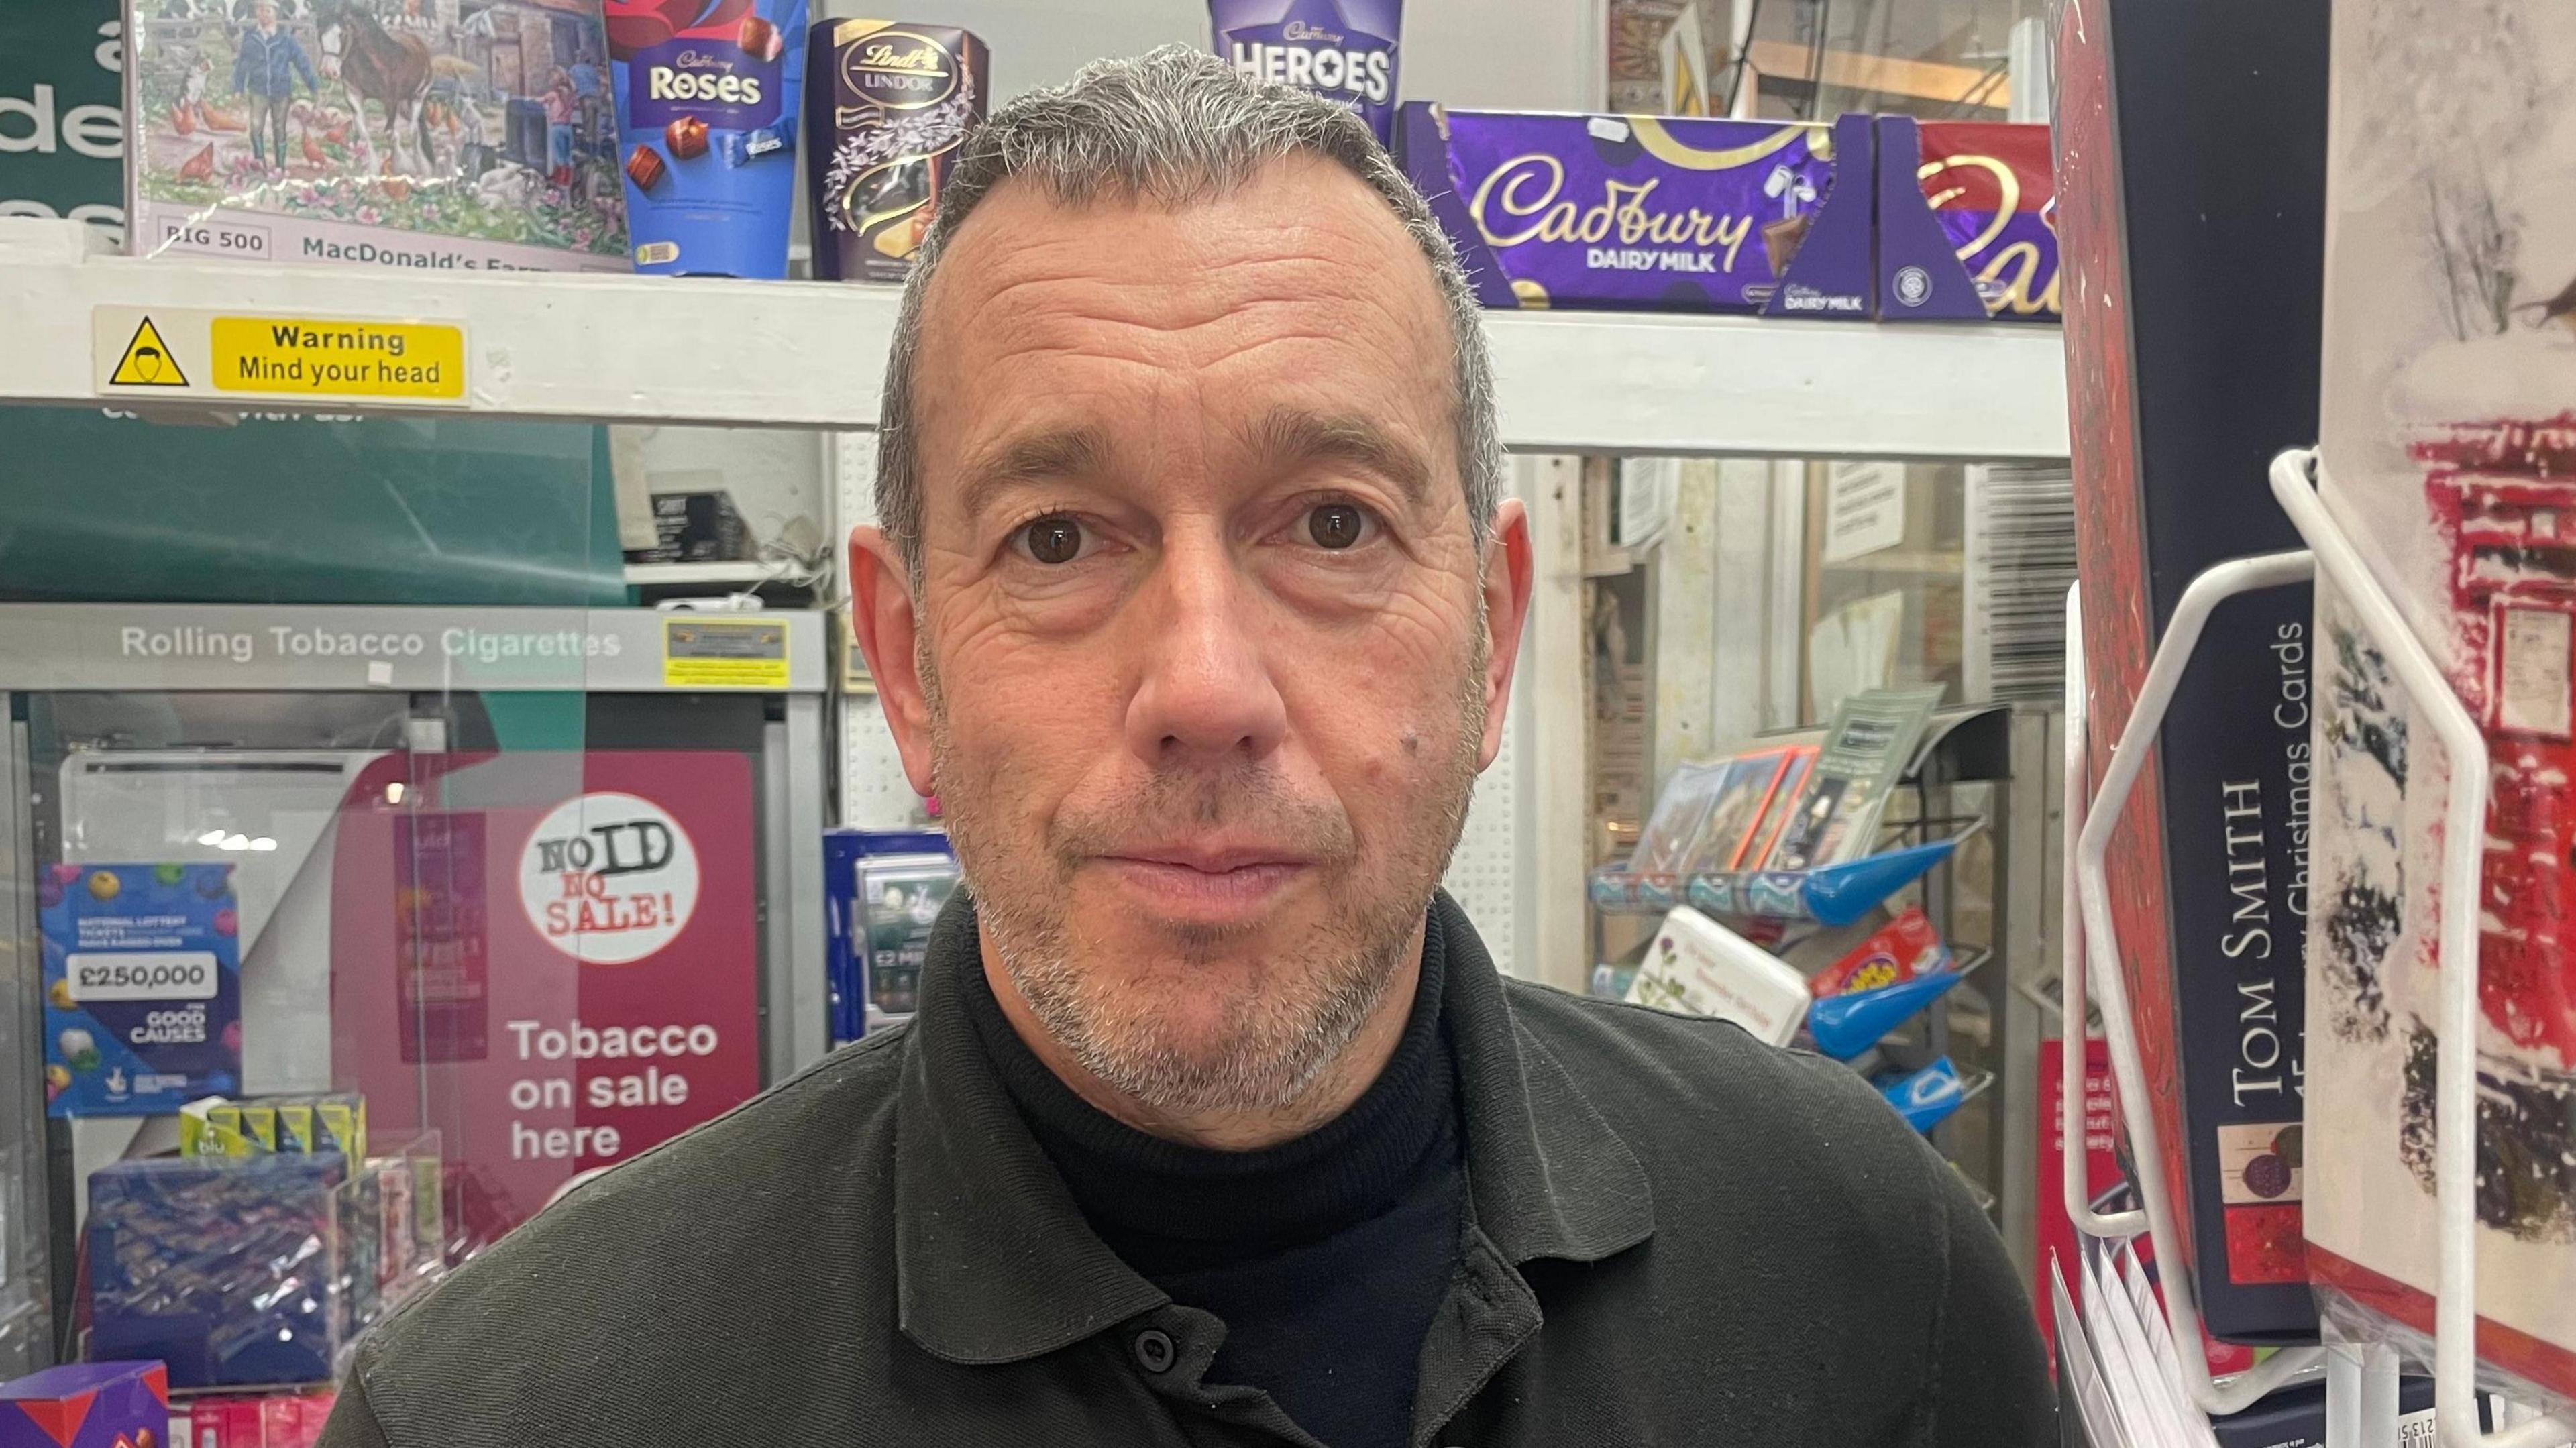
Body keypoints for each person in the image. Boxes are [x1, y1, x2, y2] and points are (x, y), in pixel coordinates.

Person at [317, 47, 2053, 1448]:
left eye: (1333, 523)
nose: (1204, 682)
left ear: (1495, 631)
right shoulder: (507, 1405)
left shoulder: (1869, 1275)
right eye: (1062, 539)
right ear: (910, 660)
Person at [230, 1, 315, 171]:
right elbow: (242, 64)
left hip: (281, 90)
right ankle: (259, 161)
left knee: (279, 127)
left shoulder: (286, 39)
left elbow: (301, 62)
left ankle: (280, 165)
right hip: (258, 89)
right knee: (255, 126)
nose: (264, 14)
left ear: (276, 13)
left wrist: (313, 85)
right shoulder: (250, 37)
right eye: (260, 11)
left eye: (268, 11)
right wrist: (238, 87)